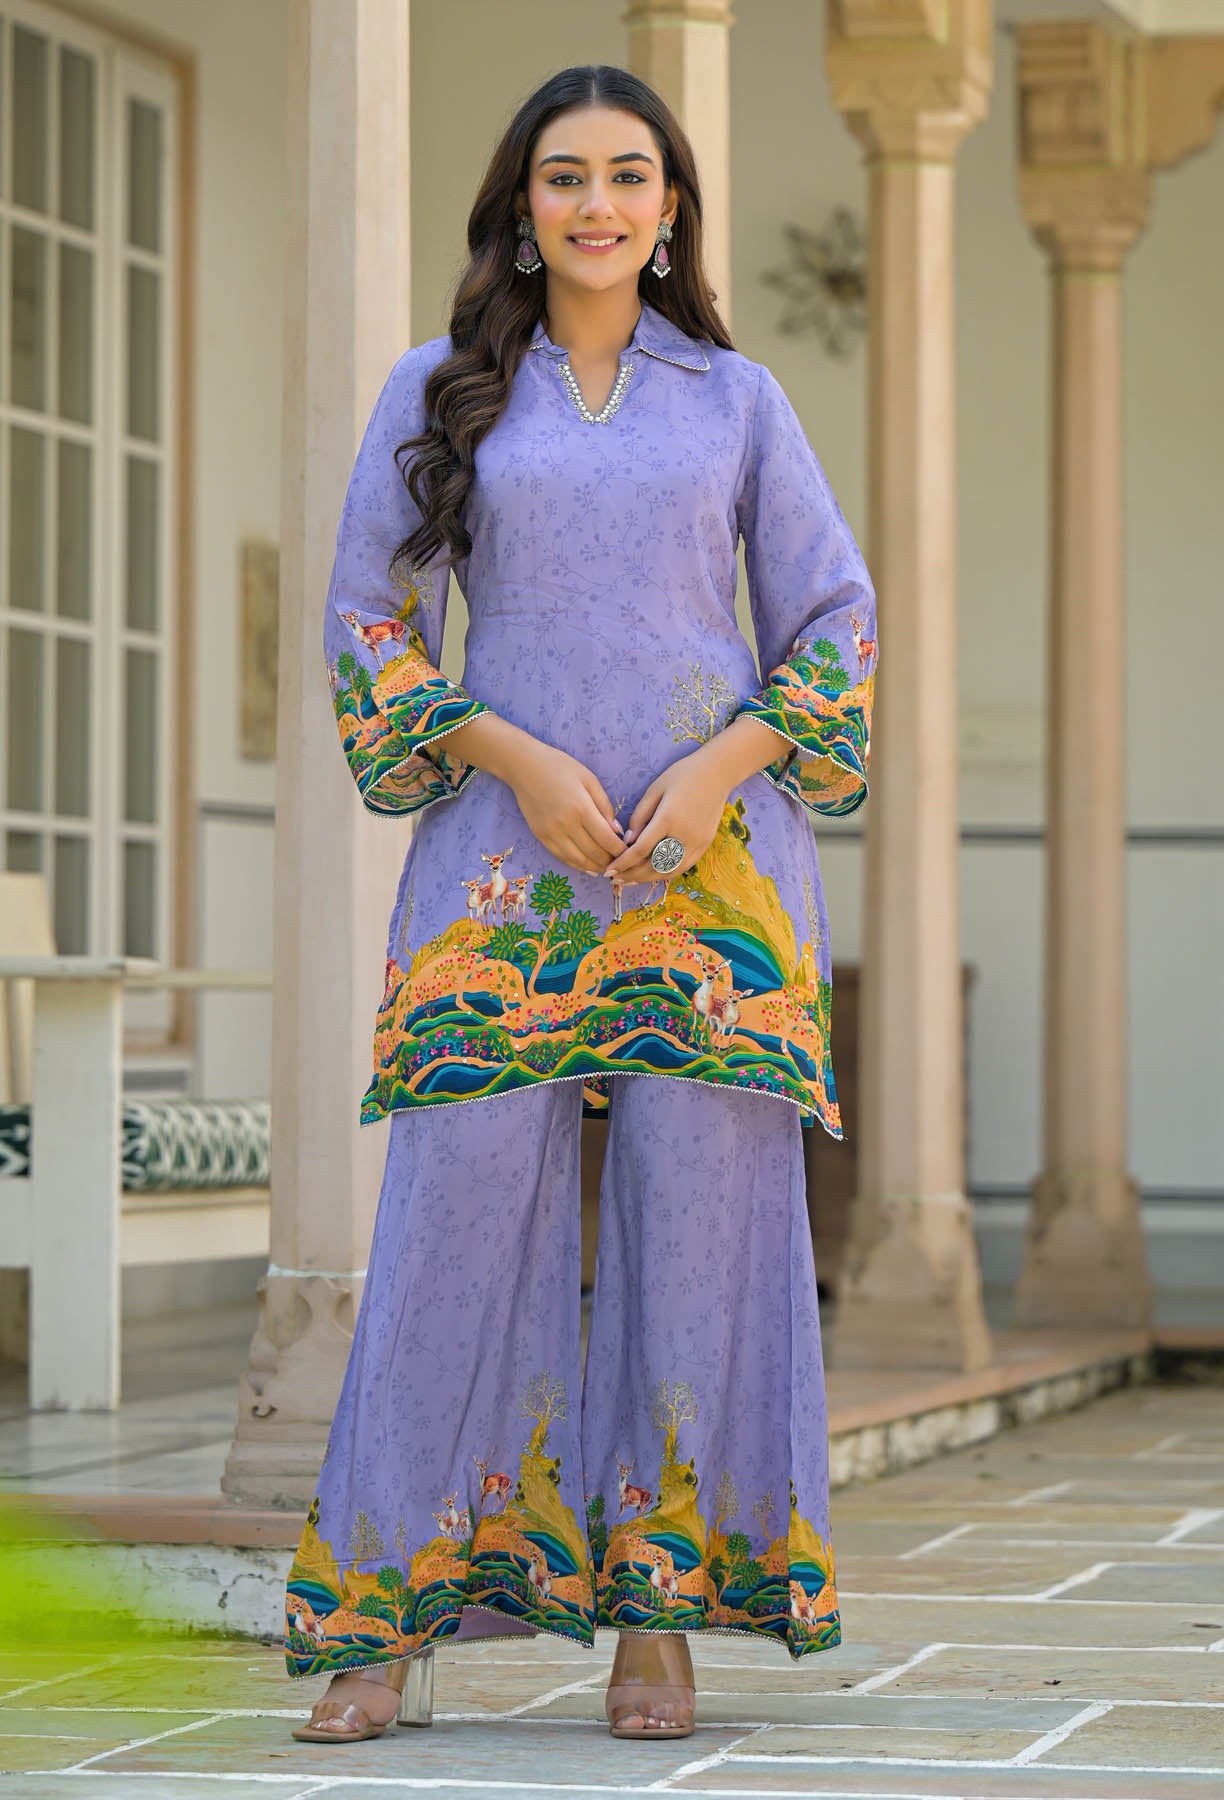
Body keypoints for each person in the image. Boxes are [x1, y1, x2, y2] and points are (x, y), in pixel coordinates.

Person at [286, 62, 877, 1747]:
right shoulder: (446, 387)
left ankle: (660, 1624)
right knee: (452, 1229)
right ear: (522, 204)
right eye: (565, 176)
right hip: (500, 874)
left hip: (718, 884)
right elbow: (368, 625)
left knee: (705, 1239)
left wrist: (717, 771)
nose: (598, 203)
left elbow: (835, 625)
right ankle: (381, 1628)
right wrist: (512, 755)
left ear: (672, 206)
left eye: (630, 175)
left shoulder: (739, 402)